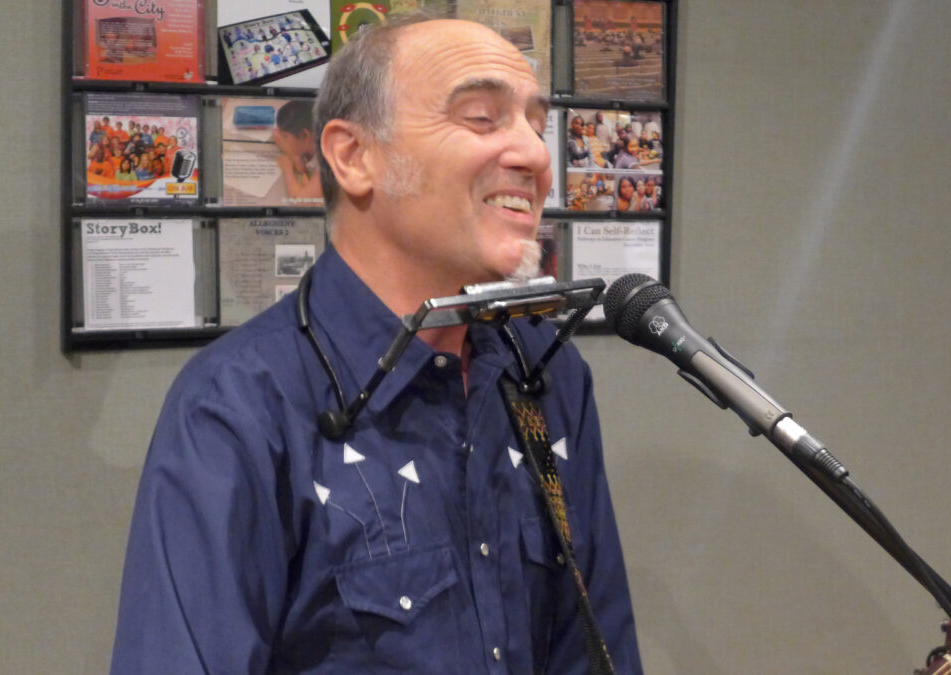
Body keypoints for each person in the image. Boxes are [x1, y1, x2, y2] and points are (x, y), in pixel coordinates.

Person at [110, 15, 642, 675]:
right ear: (354, 156)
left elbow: (596, 648)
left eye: (537, 124)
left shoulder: (546, 371)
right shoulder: (237, 406)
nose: (536, 156)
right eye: (482, 117)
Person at [272, 99, 324, 203]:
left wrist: (288, 169)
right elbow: (276, 134)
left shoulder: (327, 160)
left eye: (286, 136)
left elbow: (301, 202)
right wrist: (295, 157)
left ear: (304, 135)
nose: (283, 139)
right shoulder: (315, 128)